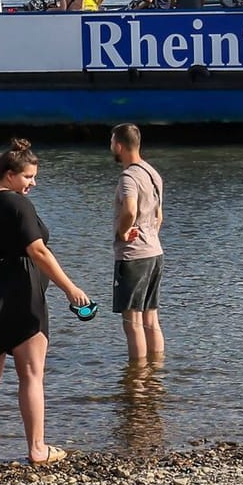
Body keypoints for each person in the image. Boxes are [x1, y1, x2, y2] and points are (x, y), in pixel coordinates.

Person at [0, 138, 90, 466]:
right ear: (8, 174)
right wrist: (70, 288)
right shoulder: (17, 205)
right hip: (21, 295)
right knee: (31, 374)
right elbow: (38, 250)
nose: (33, 183)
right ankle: (37, 448)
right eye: (28, 177)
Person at [109, 123, 164, 364]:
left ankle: (137, 378)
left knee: (132, 322)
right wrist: (148, 233)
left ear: (119, 146)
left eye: (111, 142)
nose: (111, 146)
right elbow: (159, 215)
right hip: (154, 252)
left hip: (133, 256)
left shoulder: (128, 176)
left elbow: (130, 209)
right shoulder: (152, 173)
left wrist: (123, 233)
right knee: (151, 319)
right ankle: (156, 373)